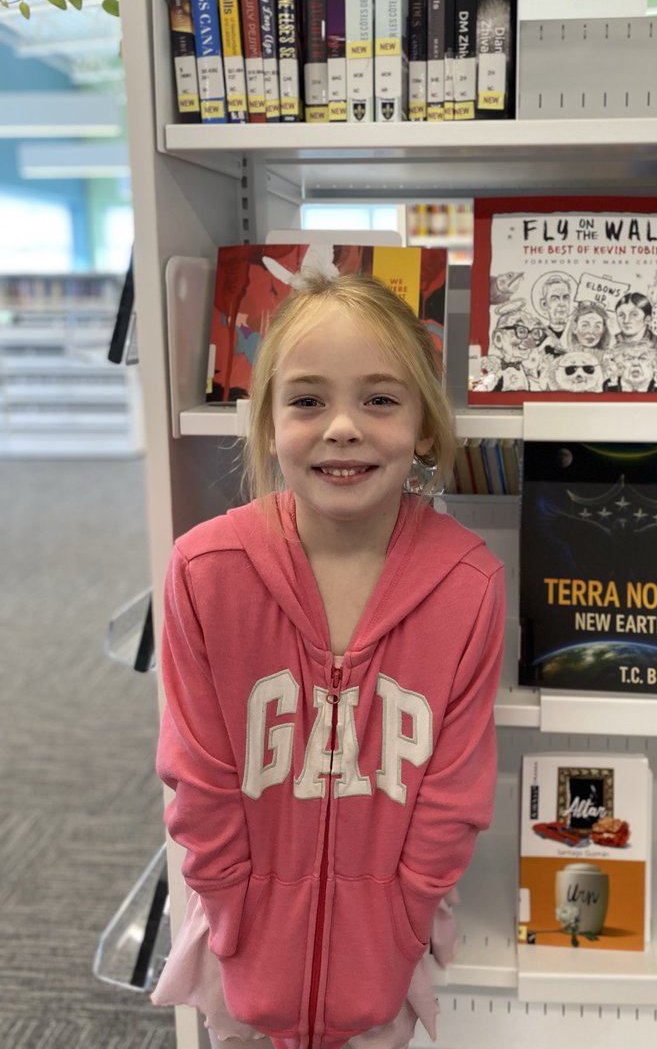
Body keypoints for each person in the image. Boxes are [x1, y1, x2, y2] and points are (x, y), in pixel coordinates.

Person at [151, 273, 506, 1049]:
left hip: (386, 963)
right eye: (308, 400)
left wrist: (404, 915)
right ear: (269, 424)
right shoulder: (205, 570)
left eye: (380, 400)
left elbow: (453, 791)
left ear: (423, 427)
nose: (342, 427)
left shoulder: (468, 581)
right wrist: (237, 915)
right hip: (238, 954)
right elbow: (199, 776)